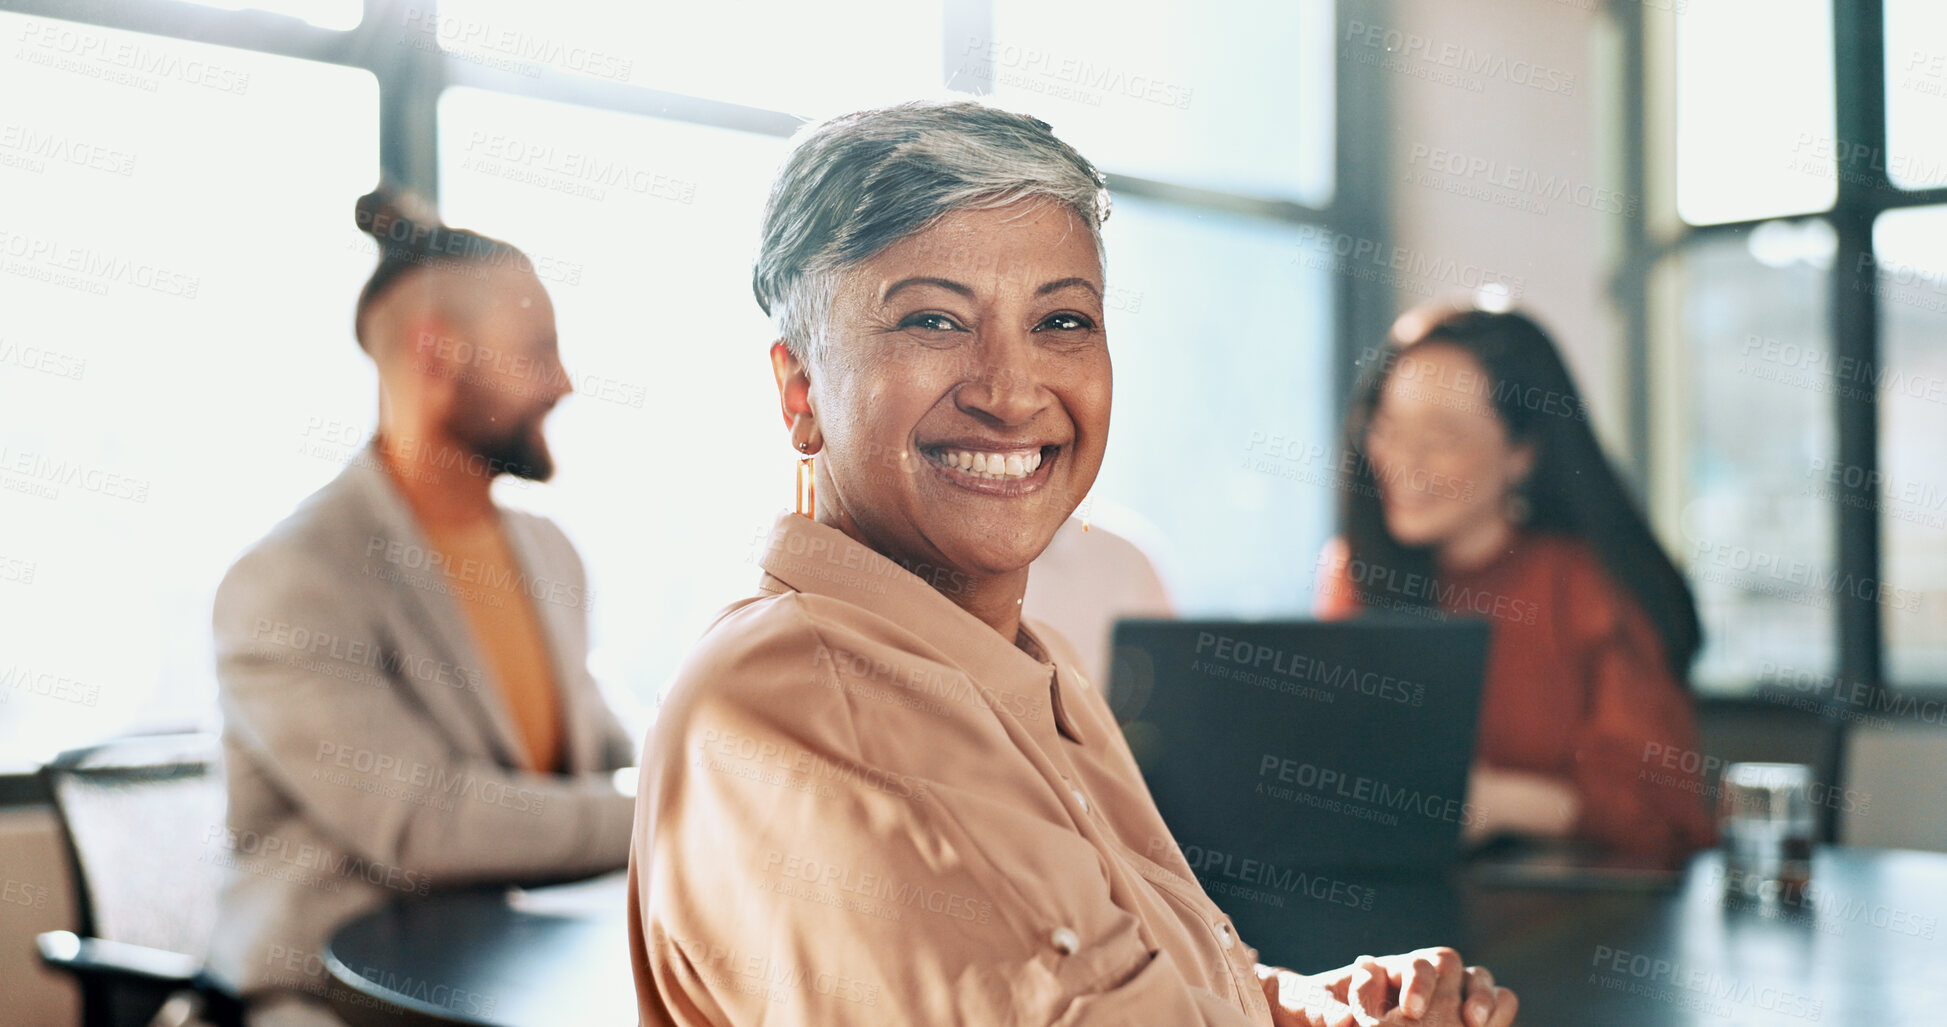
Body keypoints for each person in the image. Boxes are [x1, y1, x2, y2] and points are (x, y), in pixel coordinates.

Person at [627, 101, 1516, 1027]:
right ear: (802, 390)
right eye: (932, 319)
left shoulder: (1030, 663)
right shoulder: (798, 697)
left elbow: (1136, 978)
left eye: (1060, 321)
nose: (1012, 393)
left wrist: (1310, 1007)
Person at [208, 189, 637, 1026]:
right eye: (538, 351)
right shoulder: (290, 578)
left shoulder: (548, 553)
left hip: (505, 973)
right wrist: (669, 812)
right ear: (437, 351)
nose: (564, 381)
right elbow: (424, 823)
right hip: (326, 994)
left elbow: (607, 749)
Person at [1315, 301, 1715, 866]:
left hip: (1575, 919)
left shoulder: (1589, 584)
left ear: (1522, 453)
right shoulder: (1355, 572)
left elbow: (1661, 810)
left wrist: (1497, 803)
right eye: (1388, 430)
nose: (1405, 464)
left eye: (1442, 437)